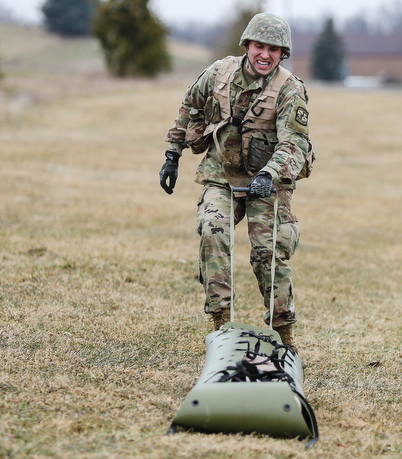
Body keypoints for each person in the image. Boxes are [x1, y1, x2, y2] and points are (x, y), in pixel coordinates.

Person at [159, 12, 314, 350]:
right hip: (221, 174)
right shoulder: (219, 73)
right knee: (213, 230)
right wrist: (173, 154)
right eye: (259, 46)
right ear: (247, 45)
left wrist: (269, 176)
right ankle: (221, 324)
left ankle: (284, 336)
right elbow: (189, 105)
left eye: (274, 49)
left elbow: (295, 144)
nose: (265, 55)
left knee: (268, 252)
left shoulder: (290, 89)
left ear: (282, 54)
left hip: (268, 180)